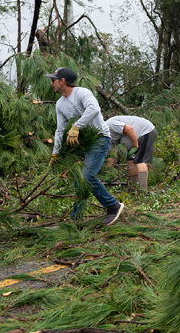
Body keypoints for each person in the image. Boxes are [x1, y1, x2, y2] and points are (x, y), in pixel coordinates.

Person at [46, 67, 124, 226]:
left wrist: (76, 127)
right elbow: (60, 130)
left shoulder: (82, 93)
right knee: (78, 179)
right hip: (83, 144)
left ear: (62, 81)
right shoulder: (60, 104)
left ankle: (113, 206)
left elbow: (94, 109)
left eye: (53, 80)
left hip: (100, 138)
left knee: (86, 177)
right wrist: (55, 154)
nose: (51, 83)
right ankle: (76, 218)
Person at [105, 115, 156, 190]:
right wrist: (108, 174)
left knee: (140, 160)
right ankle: (134, 189)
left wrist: (135, 146)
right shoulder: (108, 137)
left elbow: (129, 129)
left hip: (145, 131)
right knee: (131, 161)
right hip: (135, 138)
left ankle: (142, 191)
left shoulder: (110, 124)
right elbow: (111, 156)